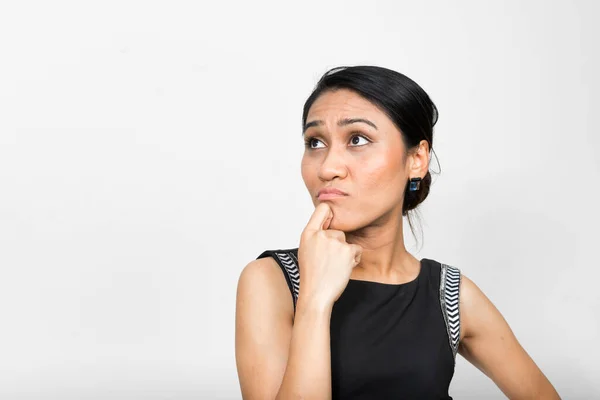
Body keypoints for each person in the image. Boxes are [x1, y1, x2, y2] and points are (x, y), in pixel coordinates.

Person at [235, 66, 560, 399]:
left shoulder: (448, 294)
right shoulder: (272, 281)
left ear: (417, 159)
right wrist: (315, 301)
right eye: (315, 142)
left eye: (357, 140)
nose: (328, 167)